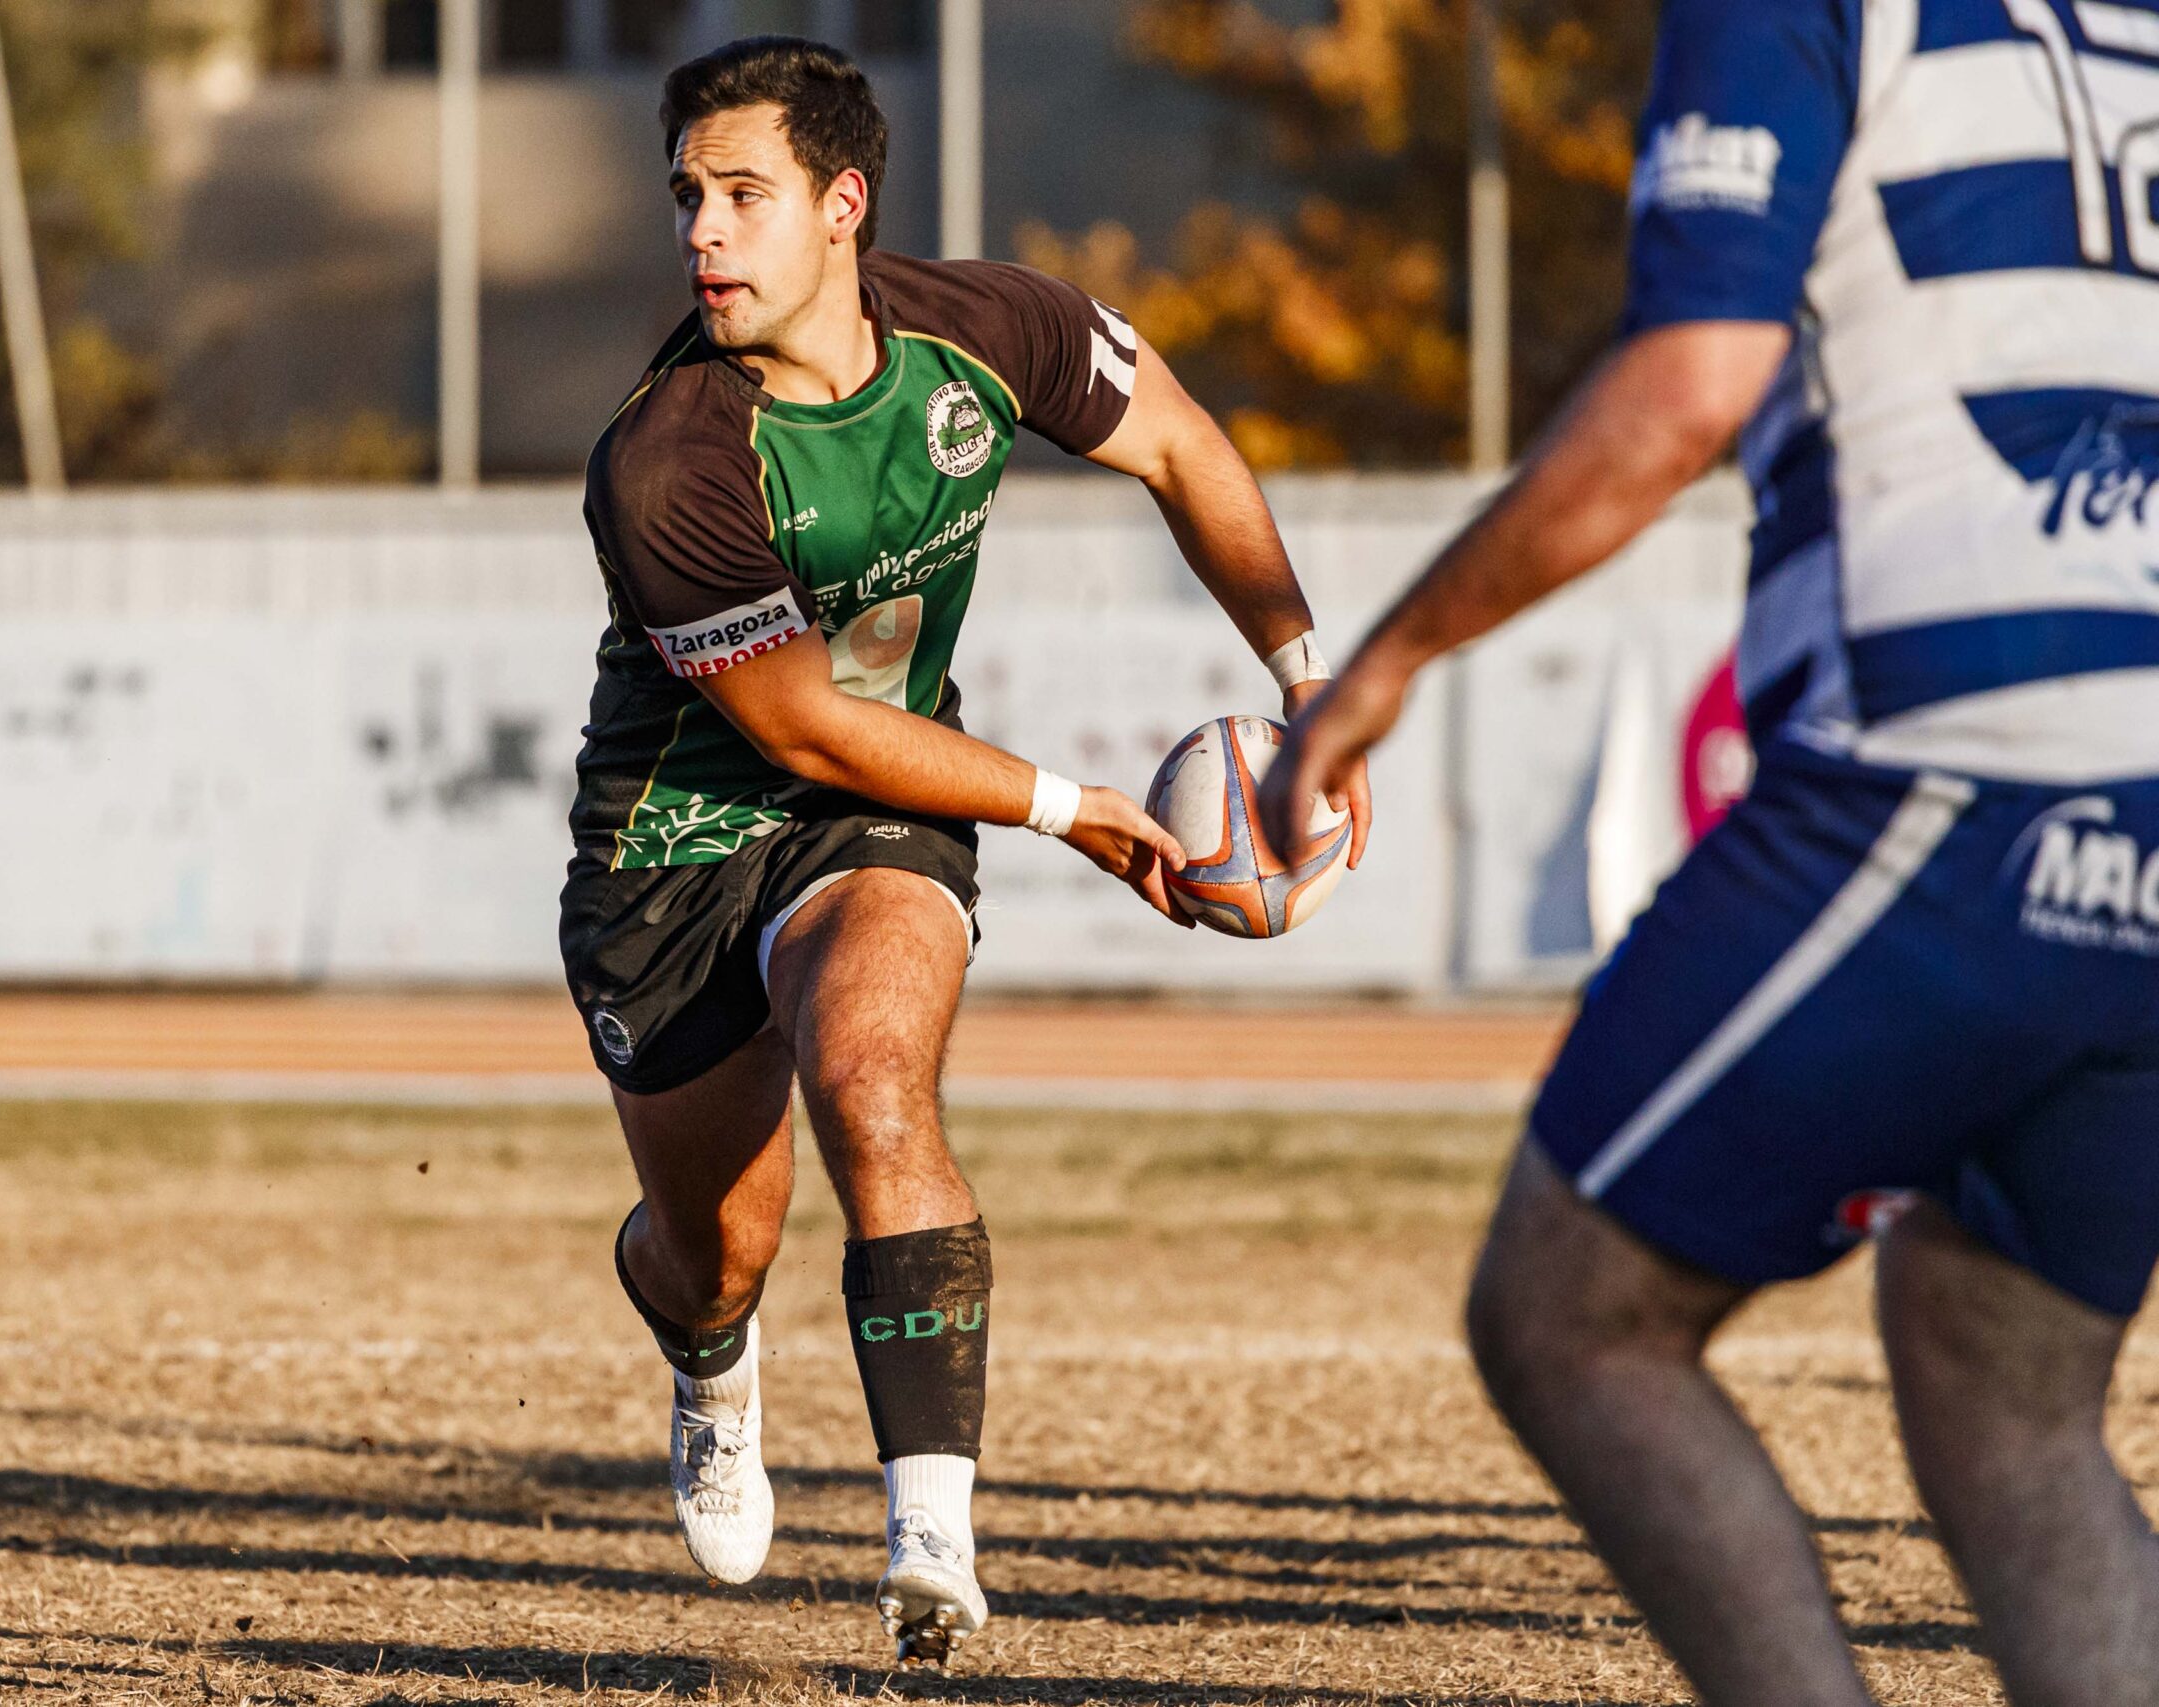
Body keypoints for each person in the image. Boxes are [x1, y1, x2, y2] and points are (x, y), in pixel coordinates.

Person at [1264, 0, 2159, 1700]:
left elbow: (1689, 384)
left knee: (1570, 1317)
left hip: (1956, 757)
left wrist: (1383, 662)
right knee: (2007, 1383)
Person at [560, 34, 1371, 1667]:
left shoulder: (993, 330)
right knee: (717, 1245)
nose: (703, 235)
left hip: (877, 819)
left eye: (742, 196)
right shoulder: (671, 457)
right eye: (686, 201)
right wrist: (1071, 808)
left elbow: (1186, 450)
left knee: (875, 1075)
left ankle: (931, 1539)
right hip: (675, 844)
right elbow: (800, 729)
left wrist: (1310, 687)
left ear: (841, 205)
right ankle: (713, 1366)